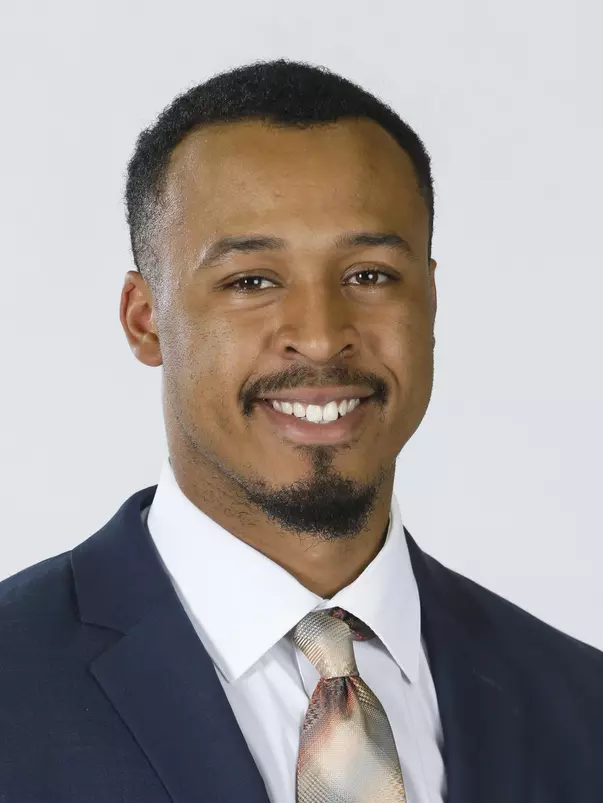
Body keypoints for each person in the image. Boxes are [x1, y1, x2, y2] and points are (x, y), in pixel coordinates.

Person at [0, 58, 601, 803]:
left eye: (370, 275)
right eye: (251, 281)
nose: (319, 337)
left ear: (430, 301)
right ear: (145, 318)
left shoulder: (582, 706)